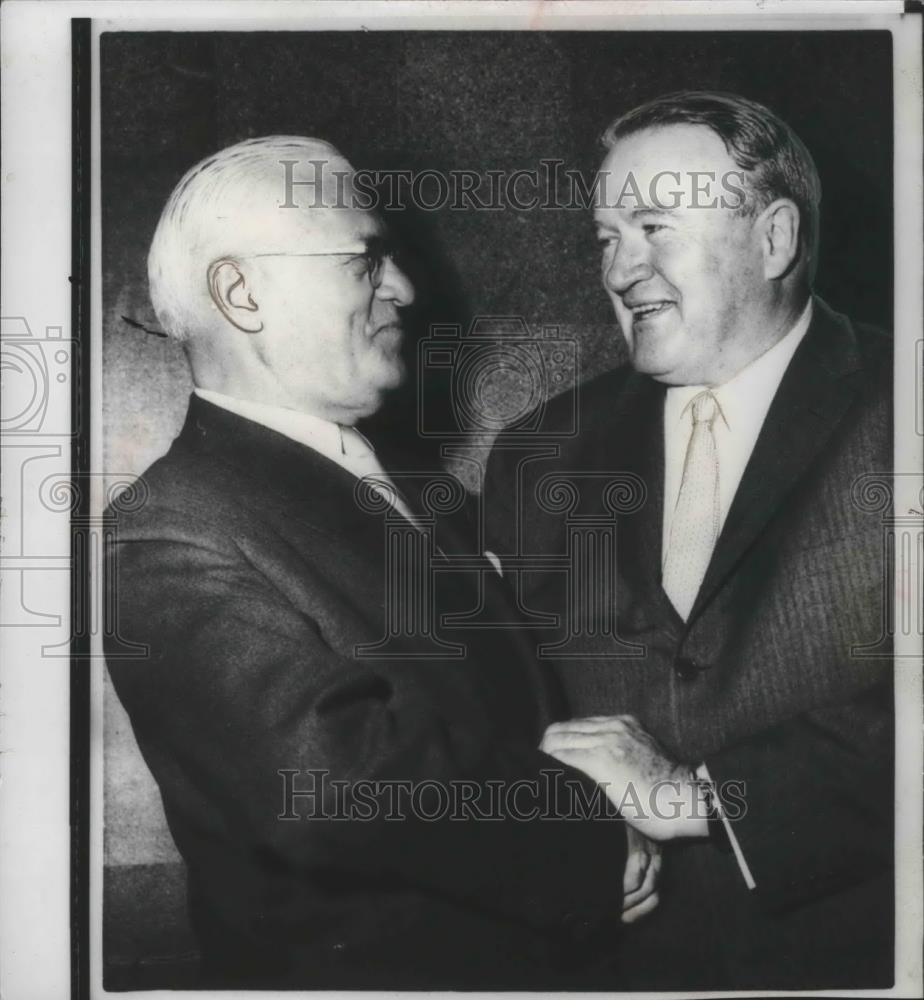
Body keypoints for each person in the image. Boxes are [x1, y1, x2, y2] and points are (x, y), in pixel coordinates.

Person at [104, 136, 637, 990]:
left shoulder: (417, 487)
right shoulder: (168, 527)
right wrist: (592, 828)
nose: (406, 289)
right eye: (365, 260)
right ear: (241, 293)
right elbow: (331, 786)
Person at [485, 91, 893, 990]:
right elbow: (506, 696)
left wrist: (706, 796)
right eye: (605, 237)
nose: (620, 269)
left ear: (775, 238)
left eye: (654, 225)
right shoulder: (538, 451)